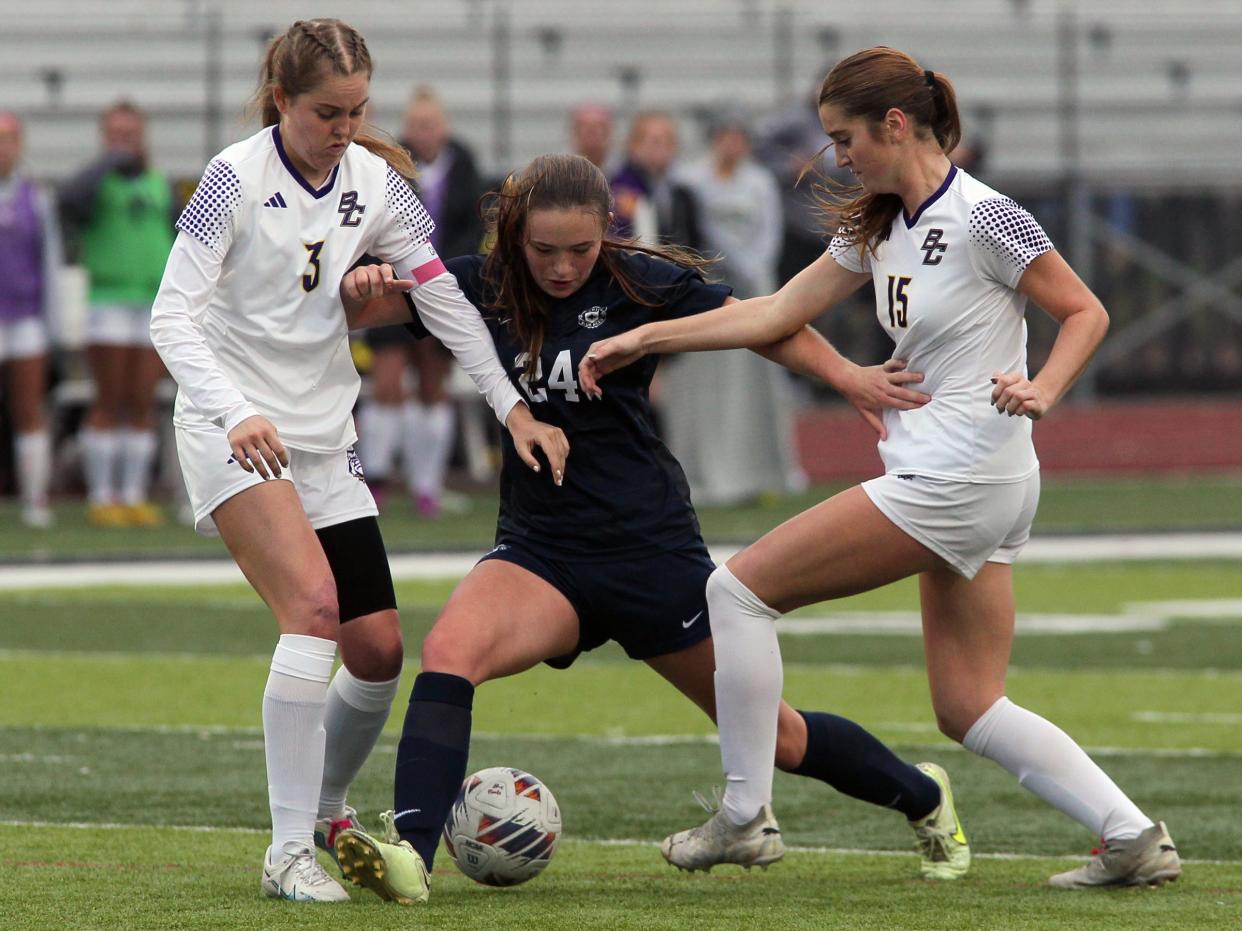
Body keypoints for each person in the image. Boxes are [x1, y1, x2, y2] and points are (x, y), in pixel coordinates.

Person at [579, 47, 1181, 891]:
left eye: (844, 137)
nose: (837, 156)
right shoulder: (879, 221)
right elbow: (775, 314)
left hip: (958, 475)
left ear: (895, 124)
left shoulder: (984, 214)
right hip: (979, 481)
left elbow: (1085, 309)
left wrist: (1043, 387)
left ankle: (746, 813)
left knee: (737, 590)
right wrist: (645, 337)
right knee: (967, 704)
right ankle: (1131, 835)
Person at [326, 153, 967, 907]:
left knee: (781, 736)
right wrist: (355, 283)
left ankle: (923, 795)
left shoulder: (639, 283)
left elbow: (763, 324)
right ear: (512, 238)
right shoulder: (480, 281)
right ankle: (413, 857)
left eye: (580, 249)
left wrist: (850, 376)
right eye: (543, 251)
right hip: (541, 551)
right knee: (449, 652)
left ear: (607, 234)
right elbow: (362, 309)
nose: (562, 267)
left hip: (649, 552)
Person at [148, 18, 566, 904]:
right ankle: (288, 850)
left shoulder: (376, 181)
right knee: (313, 610)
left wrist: (511, 405)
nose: (344, 127)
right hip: (235, 429)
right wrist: (236, 409)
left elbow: (444, 299)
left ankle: (330, 810)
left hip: (324, 437)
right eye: (327, 112)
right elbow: (170, 317)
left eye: (357, 110)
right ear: (281, 103)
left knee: (376, 650)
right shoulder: (232, 178)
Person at [665, 108, 805, 505]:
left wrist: (751, 269)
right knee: (705, 383)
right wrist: (723, 264)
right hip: (708, 289)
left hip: (755, 289)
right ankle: (705, 470)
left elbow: (769, 235)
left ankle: (760, 470)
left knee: (758, 381)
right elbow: (690, 231)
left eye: (739, 136)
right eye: (725, 135)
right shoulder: (689, 177)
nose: (732, 144)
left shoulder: (759, 181)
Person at [358, 86, 485, 516]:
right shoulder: (388, 162)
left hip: (438, 282)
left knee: (433, 382)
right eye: (416, 125)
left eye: (430, 125)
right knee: (389, 381)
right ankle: (375, 477)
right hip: (393, 283)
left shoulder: (463, 165)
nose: (423, 133)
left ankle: (426, 483)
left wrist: (450, 273)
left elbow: (472, 224)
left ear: (443, 128)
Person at [61, 101, 173, 527]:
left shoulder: (158, 182)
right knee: (109, 399)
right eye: (116, 134)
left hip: (149, 301)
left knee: (142, 401)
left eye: (131, 134)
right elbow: (69, 200)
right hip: (108, 300)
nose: (125, 142)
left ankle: (133, 494)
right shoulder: (95, 185)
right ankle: (102, 494)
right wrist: (108, 162)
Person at [0, 111, 61, 528]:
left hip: (24, 316)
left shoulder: (35, 197)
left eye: (8, 140)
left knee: (28, 408)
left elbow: (50, 260)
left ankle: (35, 498)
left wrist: (52, 323)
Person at [610, 110, 703, 249]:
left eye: (668, 140)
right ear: (633, 145)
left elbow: (694, 242)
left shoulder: (683, 192)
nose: (661, 146)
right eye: (654, 140)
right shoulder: (618, 188)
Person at [569, 102, 615, 171]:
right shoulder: (558, 173)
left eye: (599, 127)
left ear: (609, 132)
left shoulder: (625, 174)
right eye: (586, 127)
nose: (592, 133)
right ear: (575, 132)